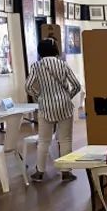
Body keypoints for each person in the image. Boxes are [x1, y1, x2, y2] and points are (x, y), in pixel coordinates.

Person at [25, 38, 81, 183]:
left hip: (46, 106)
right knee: (65, 139)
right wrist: (67, 96)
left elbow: (28, 87)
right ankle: (66, 172)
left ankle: (39, 172)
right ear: (55, 50)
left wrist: (39, 97)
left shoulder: (36, 66)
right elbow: (76, 85)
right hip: (64, 106)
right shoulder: (63, 64)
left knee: (44, 140)